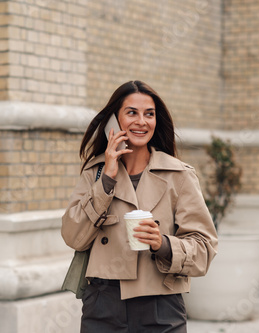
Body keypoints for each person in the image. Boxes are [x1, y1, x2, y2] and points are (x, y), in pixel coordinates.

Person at [61, 80, 218, 332]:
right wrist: (107, 179)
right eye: (132, 112)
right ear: (115, 120)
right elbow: (72, 236)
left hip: (161, 305)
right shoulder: (95, 172)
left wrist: (163, 244)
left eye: (149, 114)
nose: (141, 122)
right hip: (102, 303)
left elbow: (204, 248)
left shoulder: (179, 175)